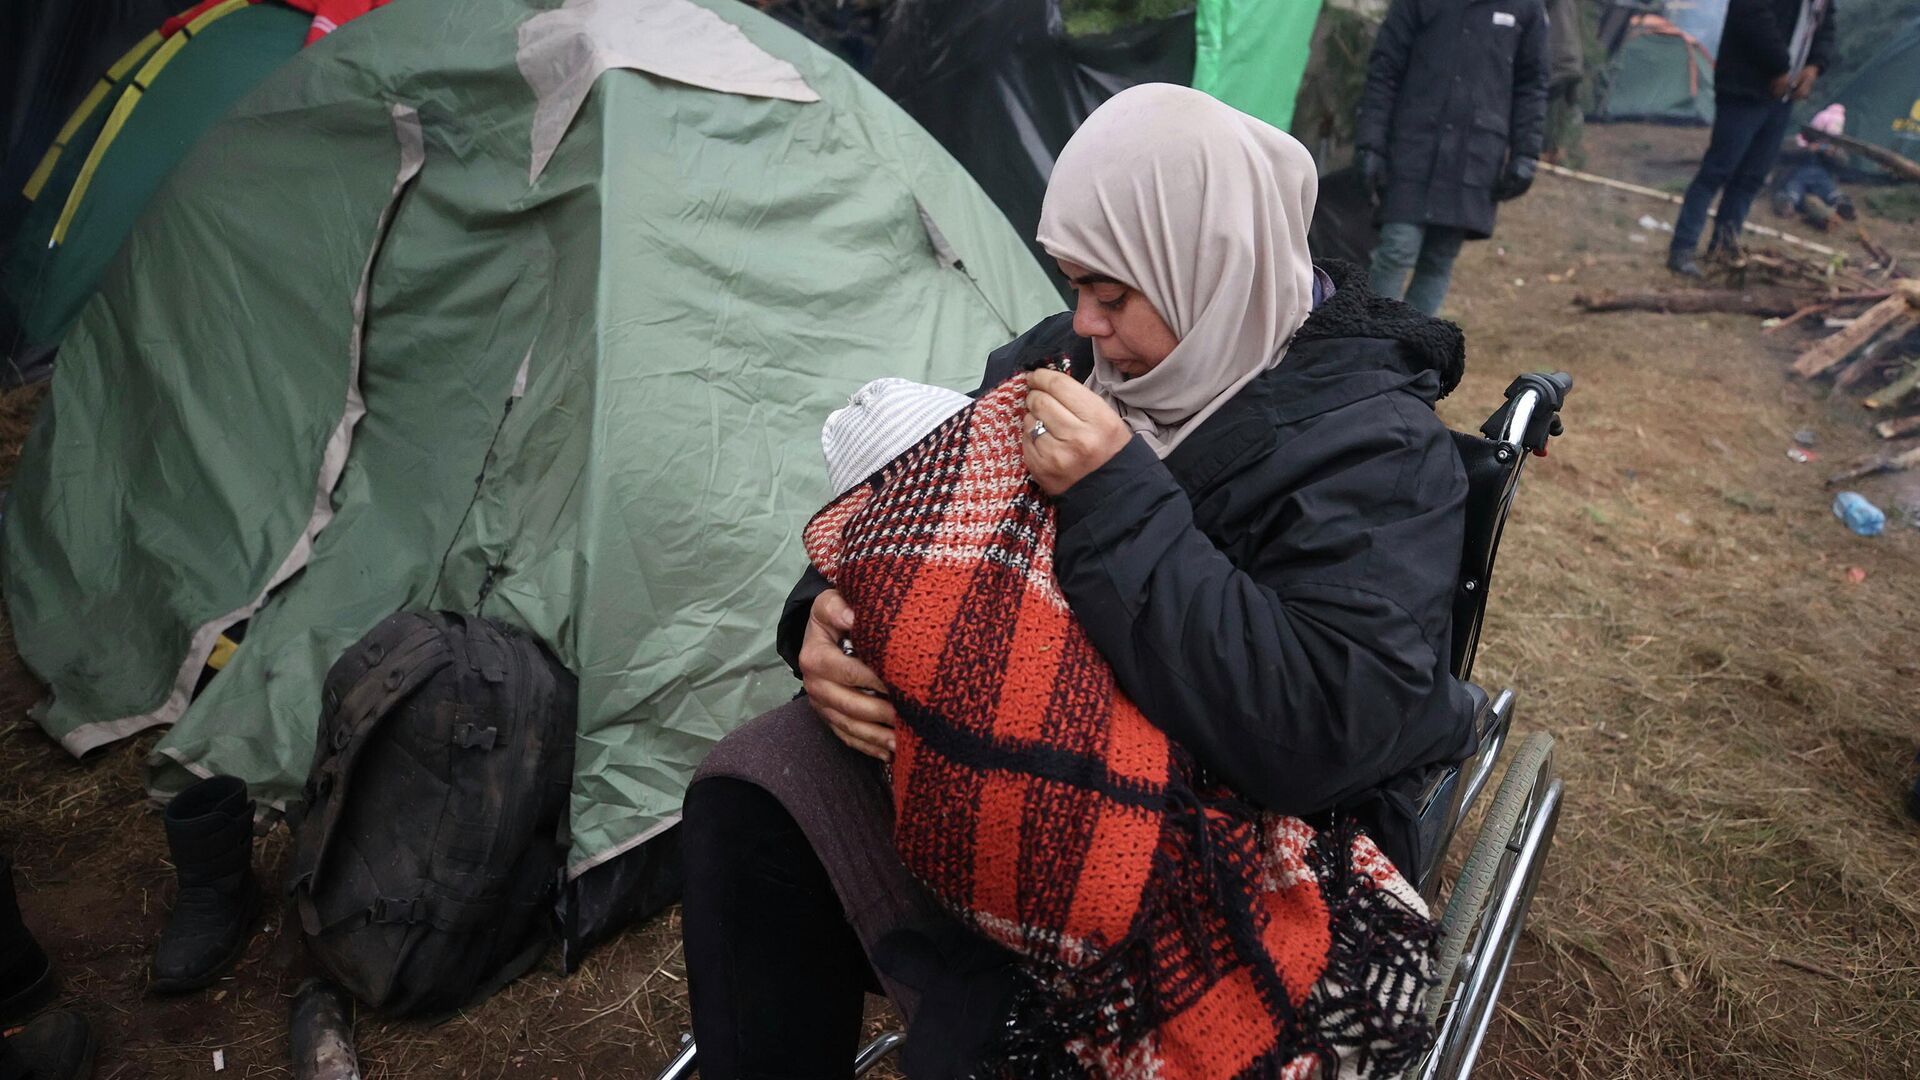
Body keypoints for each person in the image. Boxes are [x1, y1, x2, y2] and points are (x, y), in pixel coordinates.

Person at [681, 84, 1476, 1079]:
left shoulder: (1374, 452)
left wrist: (1118, 496)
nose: (1085, 326)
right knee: (750, 794)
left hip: (1216, 827)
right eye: (1073, 285)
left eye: (1113, 293)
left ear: (1209, 267)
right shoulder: (1072, 360)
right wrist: (825, 617)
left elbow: (1318, 729)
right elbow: (917, 493)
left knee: (986, 1034)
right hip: (1005, 748)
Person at [1355, 0, 1550, 316]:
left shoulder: (1526, 7)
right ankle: (1371, 340)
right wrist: (1370, 142)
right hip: (1411, 144)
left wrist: (1526, 153)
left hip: (1477, 152)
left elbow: (1532, 85)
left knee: (1439, 258)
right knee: (1397, 248)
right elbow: (1385, 69)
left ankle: (1410, 354)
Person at [1668, 0, 1837, 277]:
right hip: (1745, 85)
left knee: (1751, 177)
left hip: (1783, 97)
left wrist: (1814, 66)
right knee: (1717, 170)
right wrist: (1780, 66)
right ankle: (1683, 248)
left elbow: (1826, 27)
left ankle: (1723, 248)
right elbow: (1750, 13)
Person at [1771, 103, 1857, 229]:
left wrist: (1832, 154)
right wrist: (1807, 150)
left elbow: (1843, 163)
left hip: (1820, 179)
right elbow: (1783, 151)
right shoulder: (1798, 141)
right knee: (1794, 188)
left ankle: (1841, 203)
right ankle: (1787, 202)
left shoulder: (1834, 148)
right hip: (1795, 175)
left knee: (1828, 188)